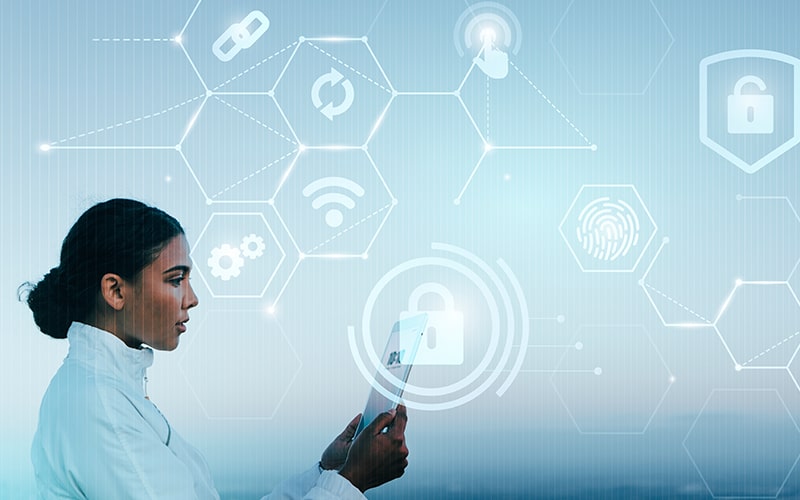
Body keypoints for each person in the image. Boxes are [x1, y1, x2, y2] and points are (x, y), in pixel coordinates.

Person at [21, 198, 409, 499]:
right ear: (116, 290)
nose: (191, 299)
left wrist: (328, 473)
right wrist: (353, 481)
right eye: (176, 280)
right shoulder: (99, 406)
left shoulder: (111, 391)